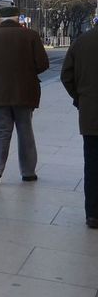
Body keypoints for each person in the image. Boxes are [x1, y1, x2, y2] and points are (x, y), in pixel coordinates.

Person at [0, 5, 49, 185]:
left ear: (0, 19)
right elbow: (43, 64)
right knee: (25, 132)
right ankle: (28, 172)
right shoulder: (31, 36)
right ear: (18, 18)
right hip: (25, 92)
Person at [61, 17, 98, 228]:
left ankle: (93, 214)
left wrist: (80, 99)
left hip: (91, 113)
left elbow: (66, 76)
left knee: (92, 164)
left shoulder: (82, 41)